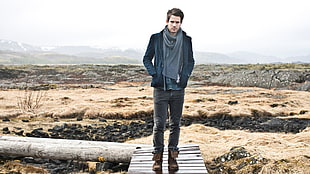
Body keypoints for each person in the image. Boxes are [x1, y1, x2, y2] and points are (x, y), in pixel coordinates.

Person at [143, 8, 195, 171]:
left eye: (177, 22)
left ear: (181, 23)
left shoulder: (186, 40)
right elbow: (146, 59)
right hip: (161, 88)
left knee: (175, 124)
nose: (174, 25)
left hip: (178, 88)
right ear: (167, 21)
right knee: (159, 124)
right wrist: (155, 74)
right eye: (171, 21)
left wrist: (185, 78)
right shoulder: (156, 38)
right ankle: (157, 158)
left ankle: (173, 157)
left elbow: (190, 61)